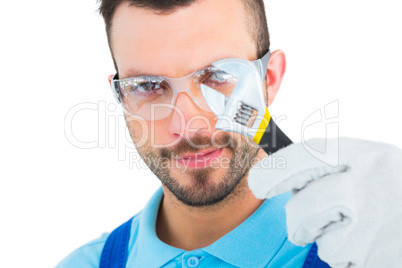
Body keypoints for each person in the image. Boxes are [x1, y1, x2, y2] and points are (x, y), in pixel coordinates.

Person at [57, 0, 402, 267]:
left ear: (269, 79)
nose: (190, 125)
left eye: (218, 75)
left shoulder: (368, 249)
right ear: (120, 97)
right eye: (146, 85)